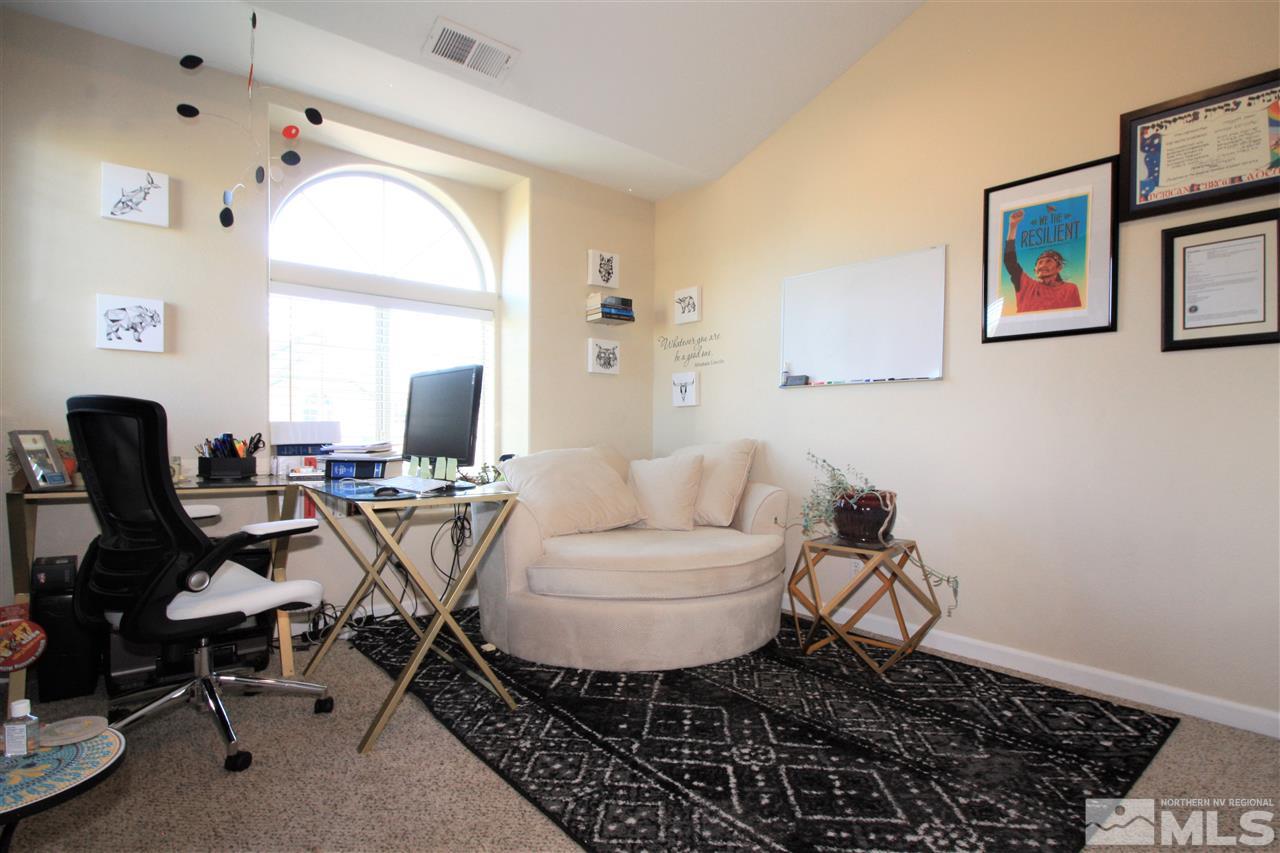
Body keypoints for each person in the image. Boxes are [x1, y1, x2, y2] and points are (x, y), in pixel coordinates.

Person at [1004, 209, 1082, 312]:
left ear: (1059, 268)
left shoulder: (1070, 289)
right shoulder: (1026, 285)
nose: (1042, 265)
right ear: (1035, 270)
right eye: (1040, 262)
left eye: (1049, 261)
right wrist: (1013, 227)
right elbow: (1010, 261)